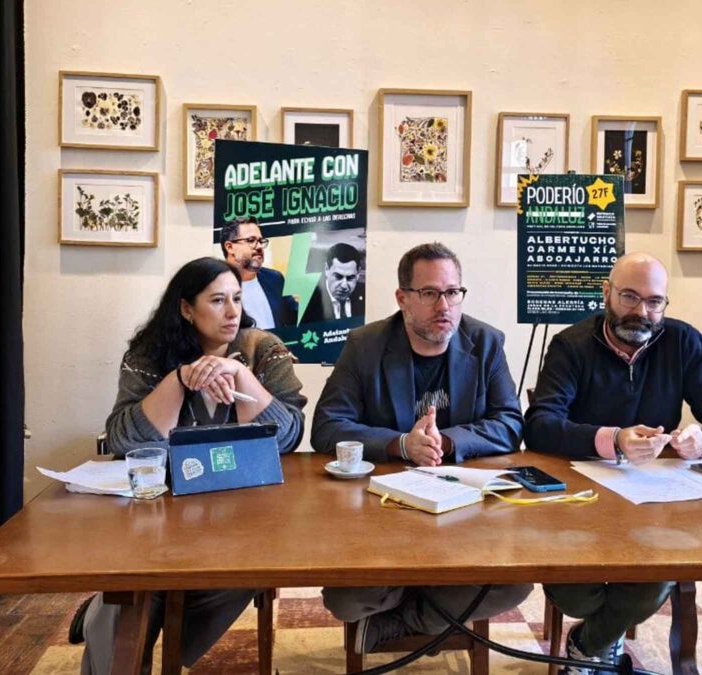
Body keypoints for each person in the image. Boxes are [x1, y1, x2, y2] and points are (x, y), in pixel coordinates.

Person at [76, 257, 307, 674]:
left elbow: (287, 438)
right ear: (186, 308)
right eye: (217, 300)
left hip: (241, 514)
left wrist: (238, 373)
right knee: (131, 595)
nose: (232, 311)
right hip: (159, 512)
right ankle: (120, 631)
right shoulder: (149, 355)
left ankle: (163, 644)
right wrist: (181, 380)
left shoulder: (263, 349)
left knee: (241, 573)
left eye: (236, 298)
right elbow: (125, 440)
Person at [524, 252, 702, 673]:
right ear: (606, 293)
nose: (641, 311)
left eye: (654, 301)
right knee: (576, 594)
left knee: (654, 580)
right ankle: (602, 638)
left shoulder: (683, 343)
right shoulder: (571, 345)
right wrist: (613, 439)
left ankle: (587, 644)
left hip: (653, 505)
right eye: (629, 297)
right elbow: (539, 425)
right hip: (578, 501)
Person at [311, 242, 530, 653]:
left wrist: (447, 440)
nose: (444, 305)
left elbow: (510, 423)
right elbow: (326, 427)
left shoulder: (485, 342)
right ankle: (431, 601)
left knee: (514, 584)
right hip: (384, 513)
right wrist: (401, 445)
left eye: (452, 292)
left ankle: (402, 620)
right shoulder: (365, 345)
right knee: (344, 599)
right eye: (429, 293)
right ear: (402, 298)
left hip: (466, 513)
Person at [220, 216, 297, 329]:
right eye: (251, 240)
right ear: (230, 247)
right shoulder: (217, 286)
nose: (260, 246)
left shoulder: (274, 279)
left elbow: (297, 316)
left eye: (260, 241)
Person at [300, 242, 366, 323]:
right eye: (338, 277)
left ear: (358, 273)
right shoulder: (308, 301)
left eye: (350, 278)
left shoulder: (366, 293)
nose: (344, 285)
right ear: (326, 269)